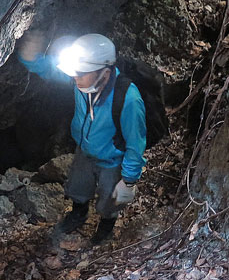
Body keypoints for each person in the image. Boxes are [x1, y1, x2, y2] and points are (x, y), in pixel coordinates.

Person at [17, 32, 147, 244]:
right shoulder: (84, 81)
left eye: (81, 73)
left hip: (113, 160)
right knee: (78, 186)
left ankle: (106, 225)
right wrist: (30, 58)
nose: (75, 77)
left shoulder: (128, 99)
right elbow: (51, 70)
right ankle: (79, 213)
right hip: (85, 150)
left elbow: (135, 144)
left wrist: (129, 182)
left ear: (103, 72)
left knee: (109, 199)